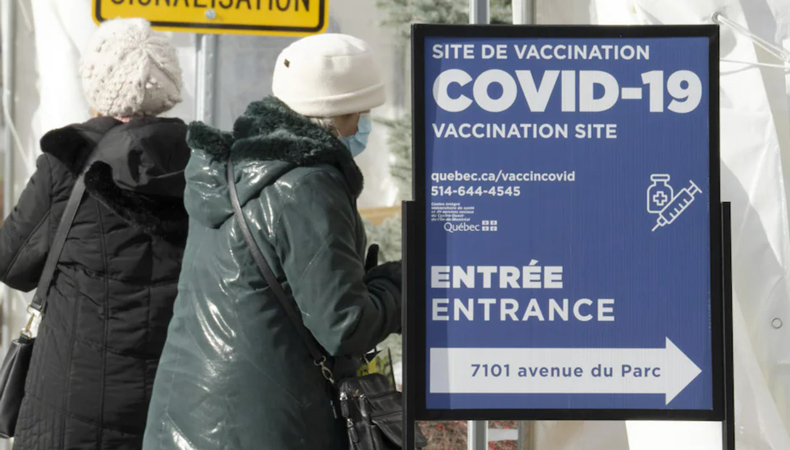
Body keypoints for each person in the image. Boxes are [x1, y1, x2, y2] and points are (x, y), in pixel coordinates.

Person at [143, 34, 402, 450]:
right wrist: (403, 286)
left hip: (185, 416)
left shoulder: (232, 169)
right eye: (361, 114)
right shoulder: (308, 186)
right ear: (337, 114)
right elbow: (343, 325)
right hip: (267, 426)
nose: (365, 126)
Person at [0, 18, 190, 449]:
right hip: (173, 398)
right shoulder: (202, 166)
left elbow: (12, 265)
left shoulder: (68, 161)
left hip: (69, 399)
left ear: (98, 83)